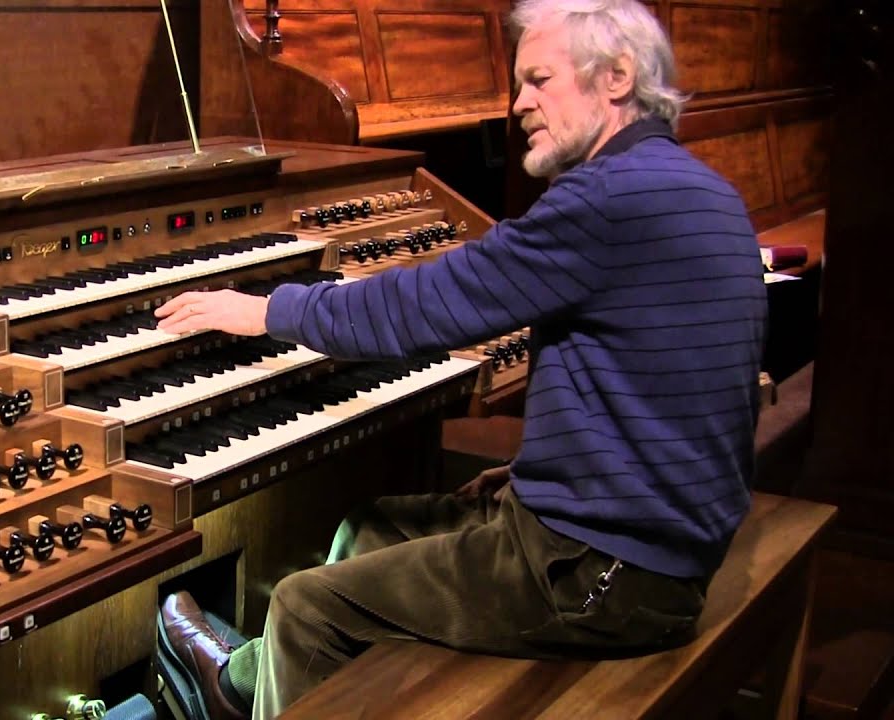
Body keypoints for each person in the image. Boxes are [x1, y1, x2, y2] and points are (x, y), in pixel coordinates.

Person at [153, 0, 768, 717]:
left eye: (538, 79)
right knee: (368, 528)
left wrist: (265, 311)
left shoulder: (606, 200)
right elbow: (684, 389)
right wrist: (552, 474)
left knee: (304, 606)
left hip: (602, 576)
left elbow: (425, 304)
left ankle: (238, 691)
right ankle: (246, 680)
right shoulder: (706, 192)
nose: (518, 105)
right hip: (652, 551)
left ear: (618, 78)